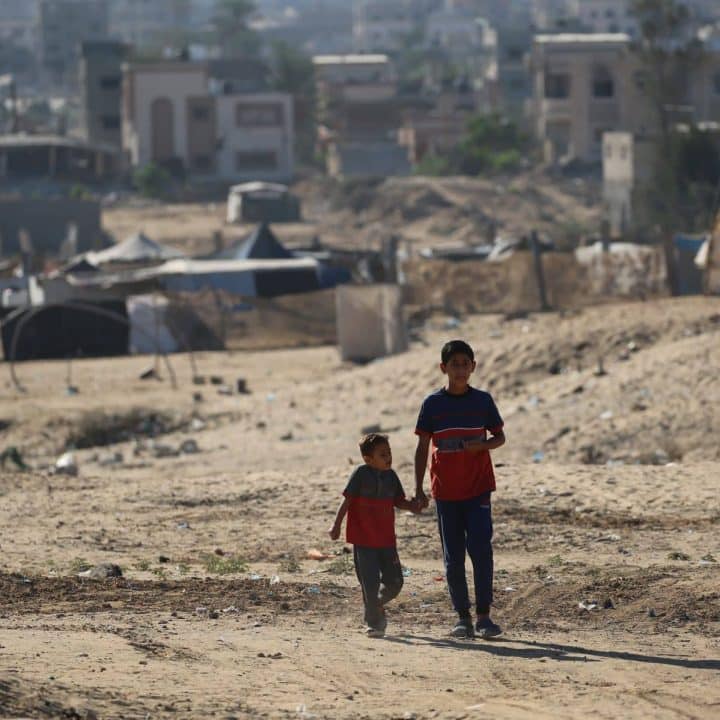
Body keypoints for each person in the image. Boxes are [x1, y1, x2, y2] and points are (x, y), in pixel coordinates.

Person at [414, 340, 506, 639]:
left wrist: (483, 445)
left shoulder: (483, 401)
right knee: (453, 556)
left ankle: (484, 616)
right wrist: (418, 489)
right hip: (445, 492)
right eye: (454, 364)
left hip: (478, 488)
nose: (460, 369)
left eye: (465, 364)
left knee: (480, 549)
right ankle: (462, 617)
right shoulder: (432, 405)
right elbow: (422, 447)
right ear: (444, 368)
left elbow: (499, 438)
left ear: (473, 367)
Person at [329, 433, 420, 637]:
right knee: (369, 583)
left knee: (395, 582)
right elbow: (347, 502)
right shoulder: (360, 474)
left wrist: (413, 507)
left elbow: (399, 501)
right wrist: (335, 526)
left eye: (389, 453)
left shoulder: (392, 477)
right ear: (368, 459)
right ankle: (374, 623)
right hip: (363, 540)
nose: (388, 458)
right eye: (382, 454)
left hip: (386, 540)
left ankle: (374, 605)